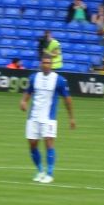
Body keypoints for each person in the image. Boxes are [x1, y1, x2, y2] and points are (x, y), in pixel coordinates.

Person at [19, 53, 76, 184]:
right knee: (32, 144)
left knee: (49, 143)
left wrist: (71, 118)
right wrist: (23, 101)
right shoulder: (34, 78)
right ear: (41, 64)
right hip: (33, 117)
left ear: (52, 64)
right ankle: (40, 171)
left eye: (49, 63)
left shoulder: (59, 80)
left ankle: (50, 173)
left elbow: (67, 99)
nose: (46, 65)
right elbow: (28, 91)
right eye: (44, 63)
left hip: (49, 118)